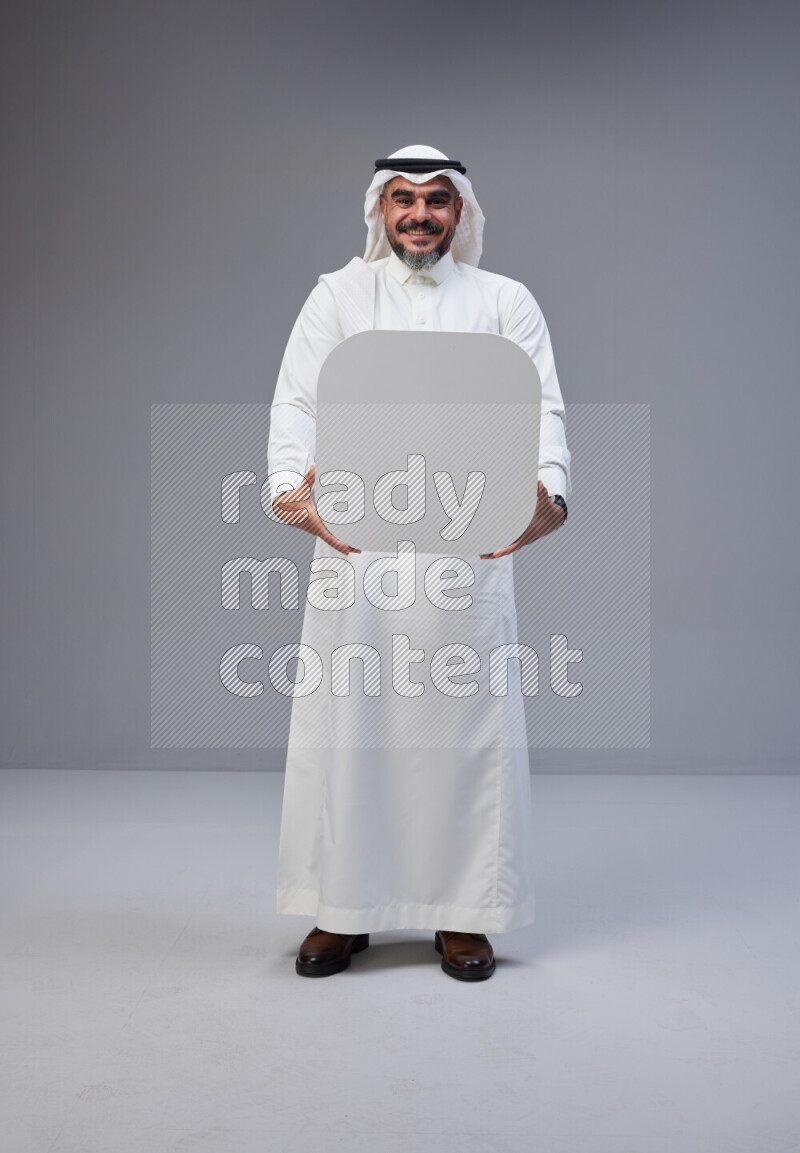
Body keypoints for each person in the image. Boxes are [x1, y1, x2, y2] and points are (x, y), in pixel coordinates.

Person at [267, 144, 571, 981]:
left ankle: (463, 914)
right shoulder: (338, 295)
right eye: (403, 198)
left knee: (462, 737)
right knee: (351, 733)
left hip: (465, 555)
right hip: (358, 552)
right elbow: (296, 398)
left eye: (438, 200)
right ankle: (343, 909)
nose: (419, 214)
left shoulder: (506, 301)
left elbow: (541, 404)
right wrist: (298, 497)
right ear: (379, 208)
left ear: (462, 212)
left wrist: (546, 495)